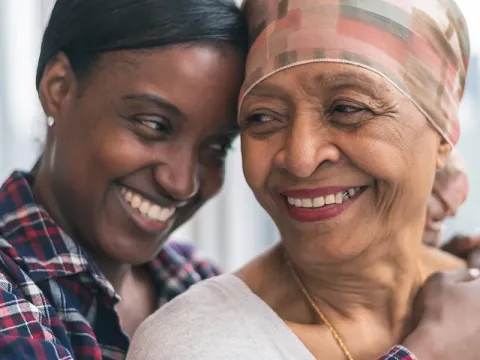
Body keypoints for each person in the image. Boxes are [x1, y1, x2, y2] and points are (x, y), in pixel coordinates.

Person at [127, 0, 475, 359]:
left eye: (347, 109)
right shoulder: (195, 345)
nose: (300, 159)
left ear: (443, 133)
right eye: (263, 117)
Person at [0, 0, 246, 358]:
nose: (182, 184)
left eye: (218, 146)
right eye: (153, 125)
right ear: (60, 88)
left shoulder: (192, 278)